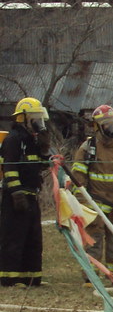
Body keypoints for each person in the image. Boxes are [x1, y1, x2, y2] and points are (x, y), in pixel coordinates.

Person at [69, 104, 113, 285]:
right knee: (93, 242)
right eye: (108, 125)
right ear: (98, 127)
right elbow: (78, 179)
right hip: (95, 205)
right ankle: (91, 277)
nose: (112, 128)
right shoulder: (88, 149)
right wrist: (83, 204)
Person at [0, 97, 51, 287]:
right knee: (14, 237)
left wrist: (45, 149)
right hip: (15, 197)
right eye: (35, 118)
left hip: (32, 195)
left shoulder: (32, 141)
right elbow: (9, 169)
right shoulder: (13, 140)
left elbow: (42, 166)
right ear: (23, 118)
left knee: (33, 238)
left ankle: (31, 278)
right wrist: (16, 192)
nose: (39, 122)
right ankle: (9, 278)